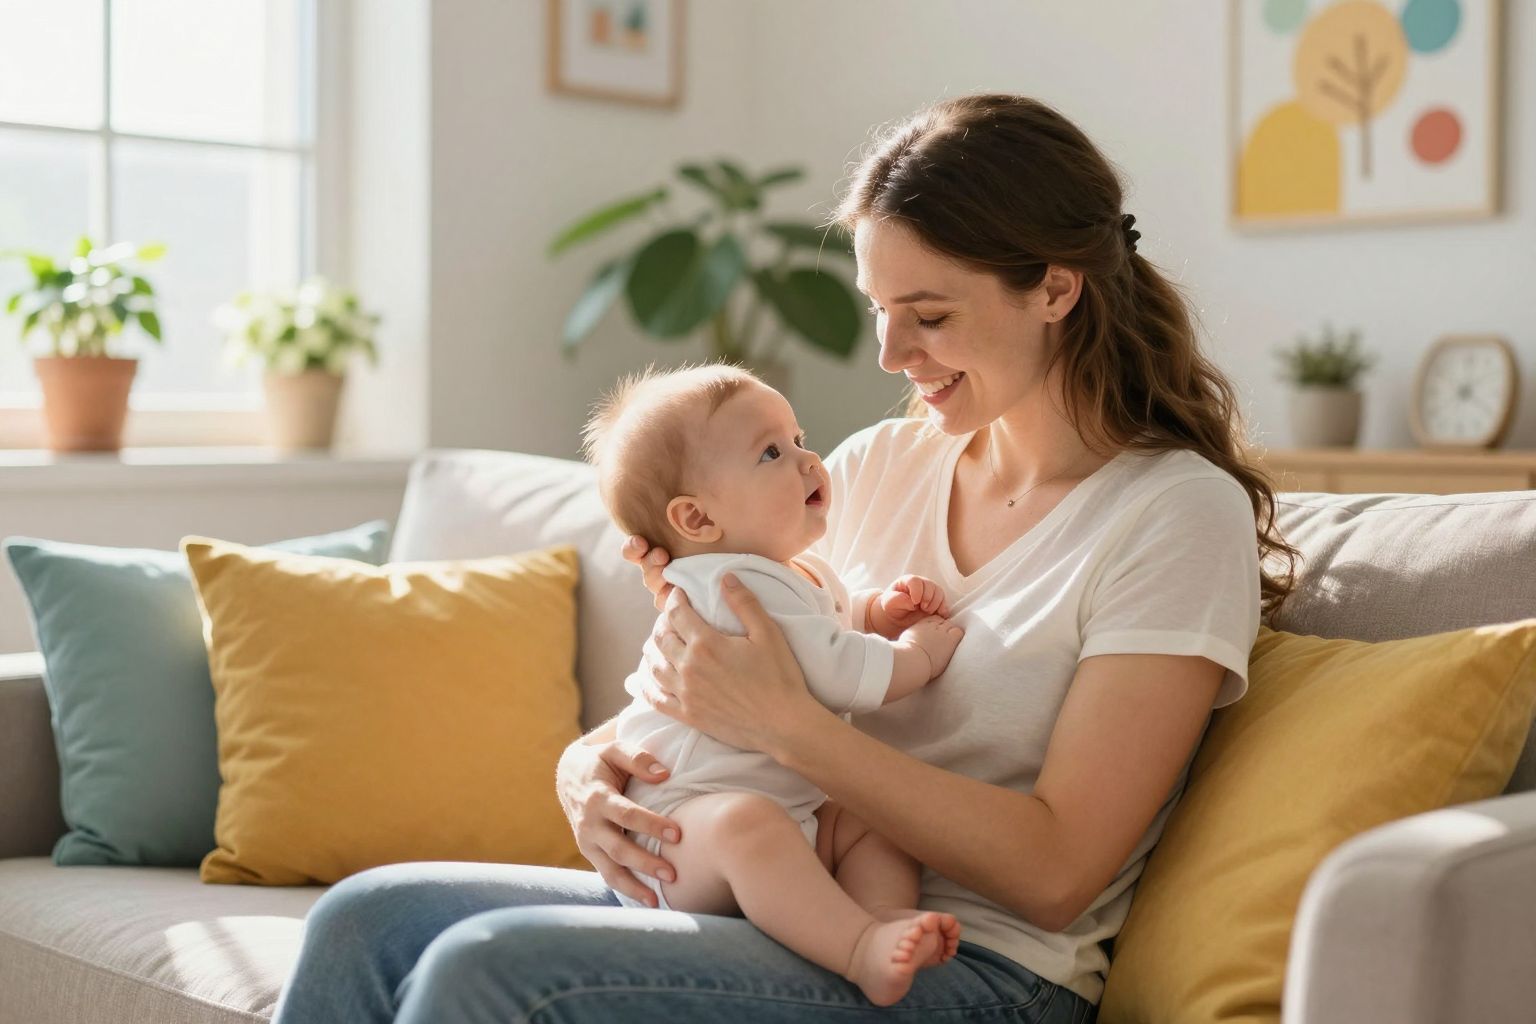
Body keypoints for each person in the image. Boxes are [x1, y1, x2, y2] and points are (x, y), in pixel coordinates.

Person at [271, 93, 1299, 1024]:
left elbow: (1057, 869)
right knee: (366, 919)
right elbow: (739, 669)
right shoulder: (879, 464)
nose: (891, 356)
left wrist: (791, 728)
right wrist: (593, 769)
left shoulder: (1172, 514)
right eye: (878, 311)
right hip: (778, 894)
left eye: (929, 315)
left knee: (495, 970)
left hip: (980, 970)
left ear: (1056, 290)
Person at [579, 362, 967, 1005]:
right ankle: (857, 947)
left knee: (876, 820)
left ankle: (878, 916)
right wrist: (917, 653)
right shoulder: (737, 587)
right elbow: (840, 671)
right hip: (680, 833)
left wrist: (875, 611)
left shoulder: (782, 572)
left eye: (797, 438)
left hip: (788, 818)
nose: (807, 460)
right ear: (697, 520)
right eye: (770, 452)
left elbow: (826, 625)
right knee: (747, 823)